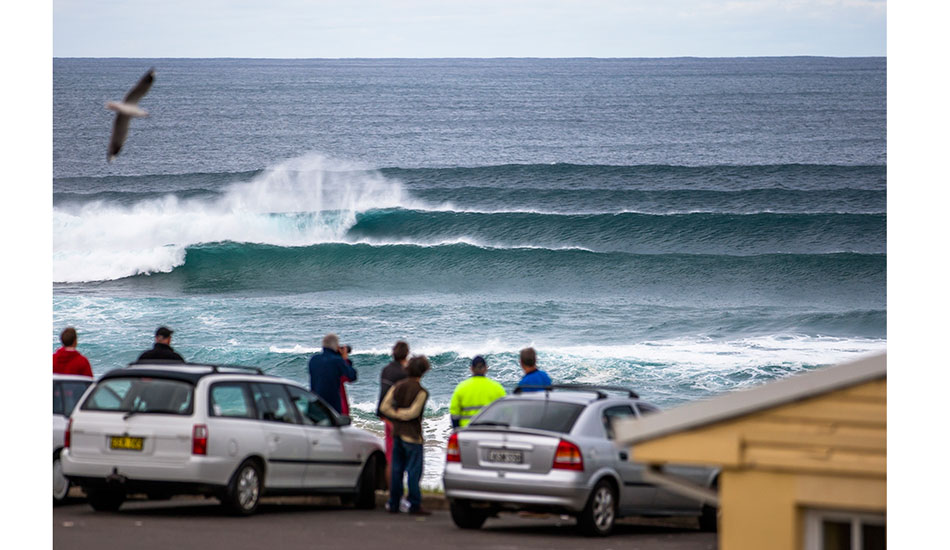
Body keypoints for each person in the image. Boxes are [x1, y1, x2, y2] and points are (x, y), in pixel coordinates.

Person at [379, 355, 431, 516]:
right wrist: (402, 414)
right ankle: (414, 504)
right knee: (414, 472)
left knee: (397, 470)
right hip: (413, 436)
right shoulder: (421, 392)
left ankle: (394, 503)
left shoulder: (398, 386)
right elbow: (413, 413)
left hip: (397, 433)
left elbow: (384, 407)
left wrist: (395, 414)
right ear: (422, 372)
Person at [377, 341, 410, 489]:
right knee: (401, 457)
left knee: (390, 455)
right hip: (398, 418)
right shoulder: (403, 373)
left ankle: (390, 493)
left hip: (386, 416)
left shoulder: (386, 369)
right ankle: (397, 493)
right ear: (406, 354)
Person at [449, 355, 506, 429]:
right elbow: (505, 413)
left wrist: (458, 431)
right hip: (490, 431)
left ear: (471, 369)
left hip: (467, 431)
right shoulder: (497, 388)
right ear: (486, 368)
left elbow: (454, 414)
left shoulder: (461, 387)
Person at [308, 333, 357, 414]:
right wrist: (345, 359)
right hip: (333, 406)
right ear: (336, 346)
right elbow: (352, 376)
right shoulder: (337, 361)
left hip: (316, 403)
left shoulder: (313, 360)